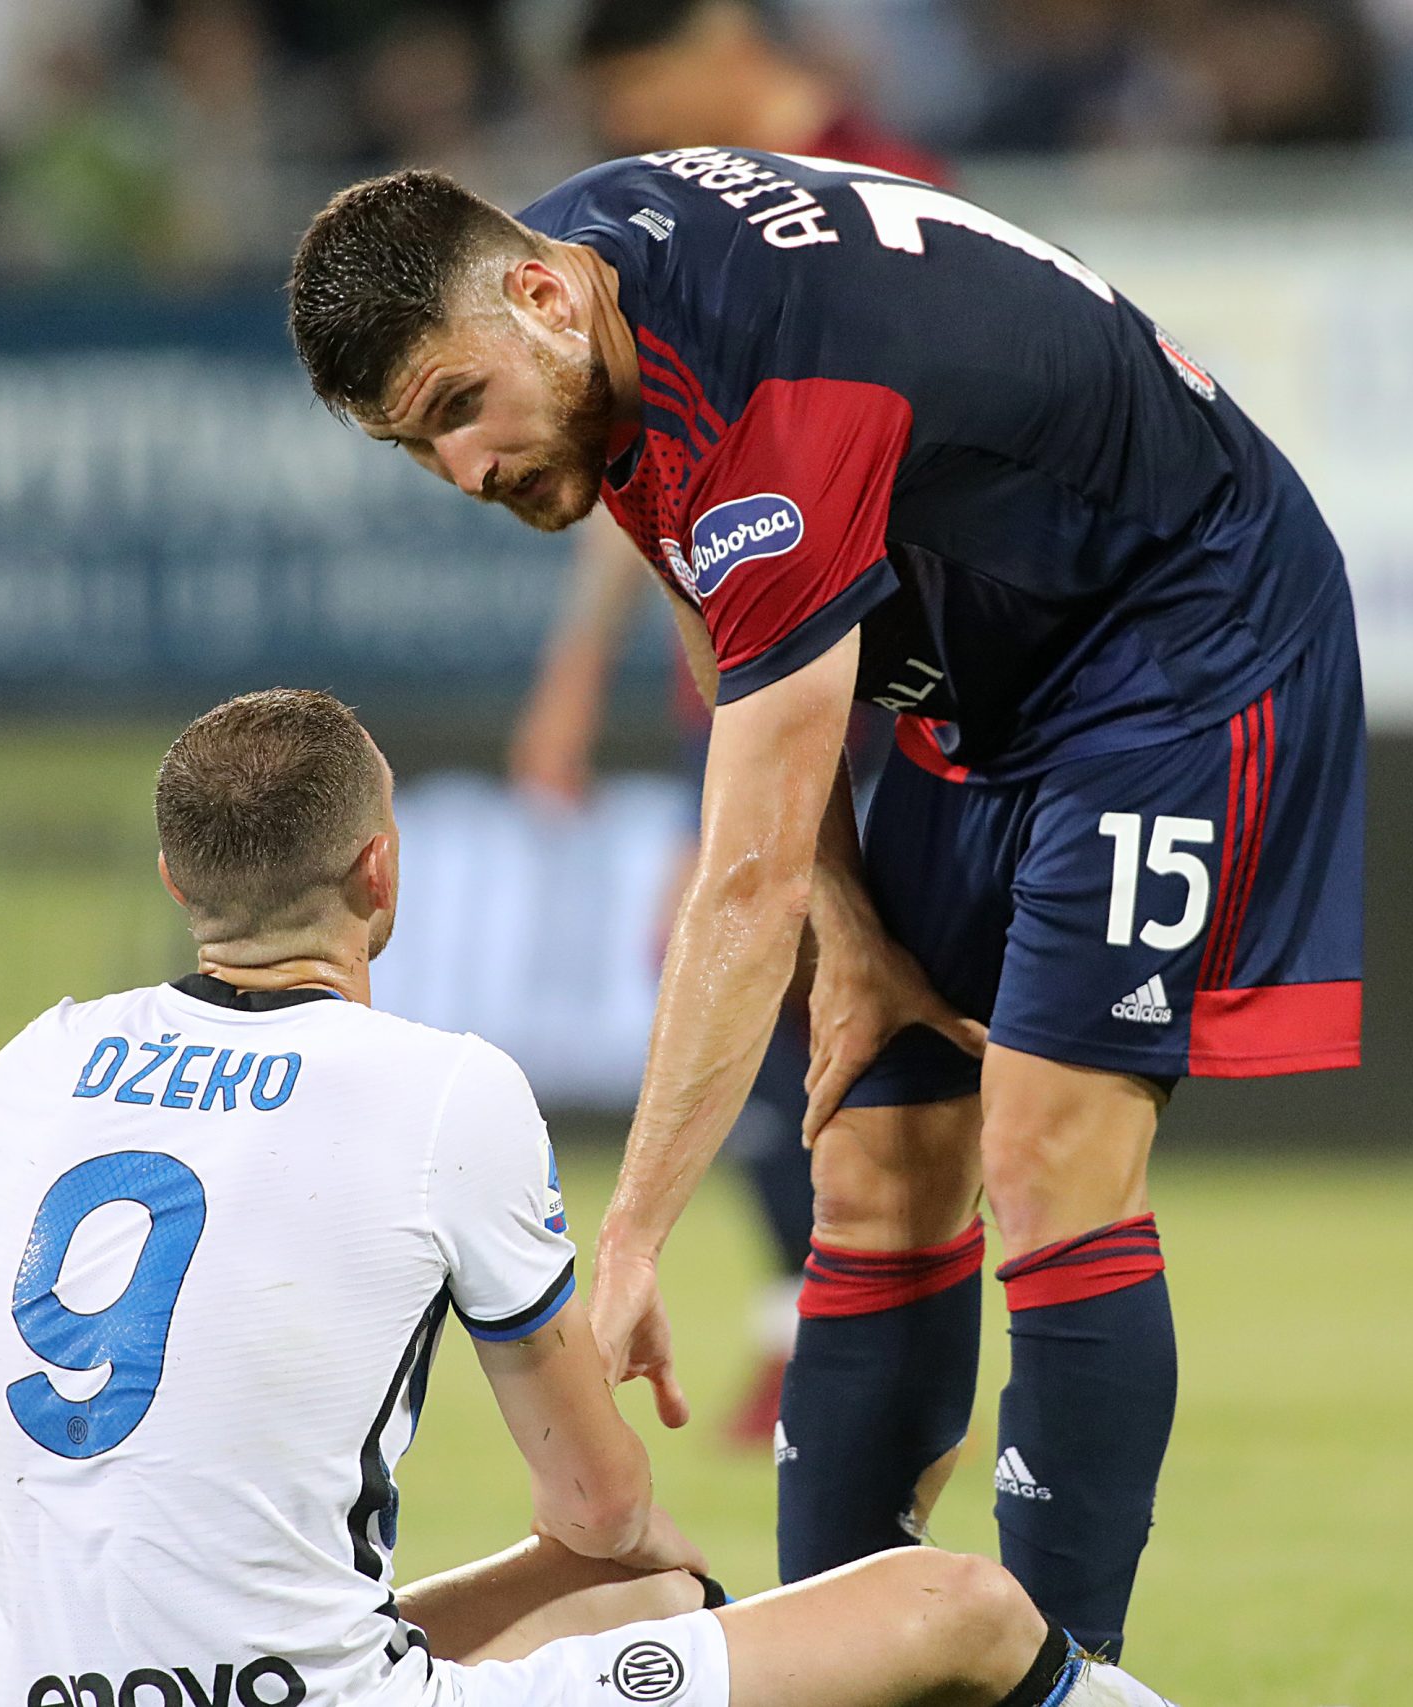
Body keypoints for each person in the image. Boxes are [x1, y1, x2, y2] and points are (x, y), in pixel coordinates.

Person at [286, 153, 1365, 1658]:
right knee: (872, 1156)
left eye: (460, 406)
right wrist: (850, 937)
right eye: (418, 446)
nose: (464, 470)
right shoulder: (594, 294)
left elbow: (744, 875)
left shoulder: (774, 393)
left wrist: (635, 1234)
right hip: (979, 662)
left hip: (1179, 635)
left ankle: (1066, 1683)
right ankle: (846, 1673)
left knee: (1047, 1150)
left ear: (539, 297)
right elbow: (707, 594)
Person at [0, 686, 1178, 1707]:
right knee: (955, 1607)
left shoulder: (32, 1062)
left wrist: (132, 1638)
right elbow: (595, 1505)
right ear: (381, 870)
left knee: (648, 1601)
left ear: (177, 881)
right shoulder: (439, 1091)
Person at [509, 0, 949, 1450]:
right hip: (744, 655)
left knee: (788, 945)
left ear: (718, 38)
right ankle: (821, 1303)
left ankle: (858, 1304)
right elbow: (616, 452)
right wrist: (574, 676)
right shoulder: (659, 214)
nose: (624, 121)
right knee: (744, 951)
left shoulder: (881, 186)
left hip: (878, 646)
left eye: (636, 85)